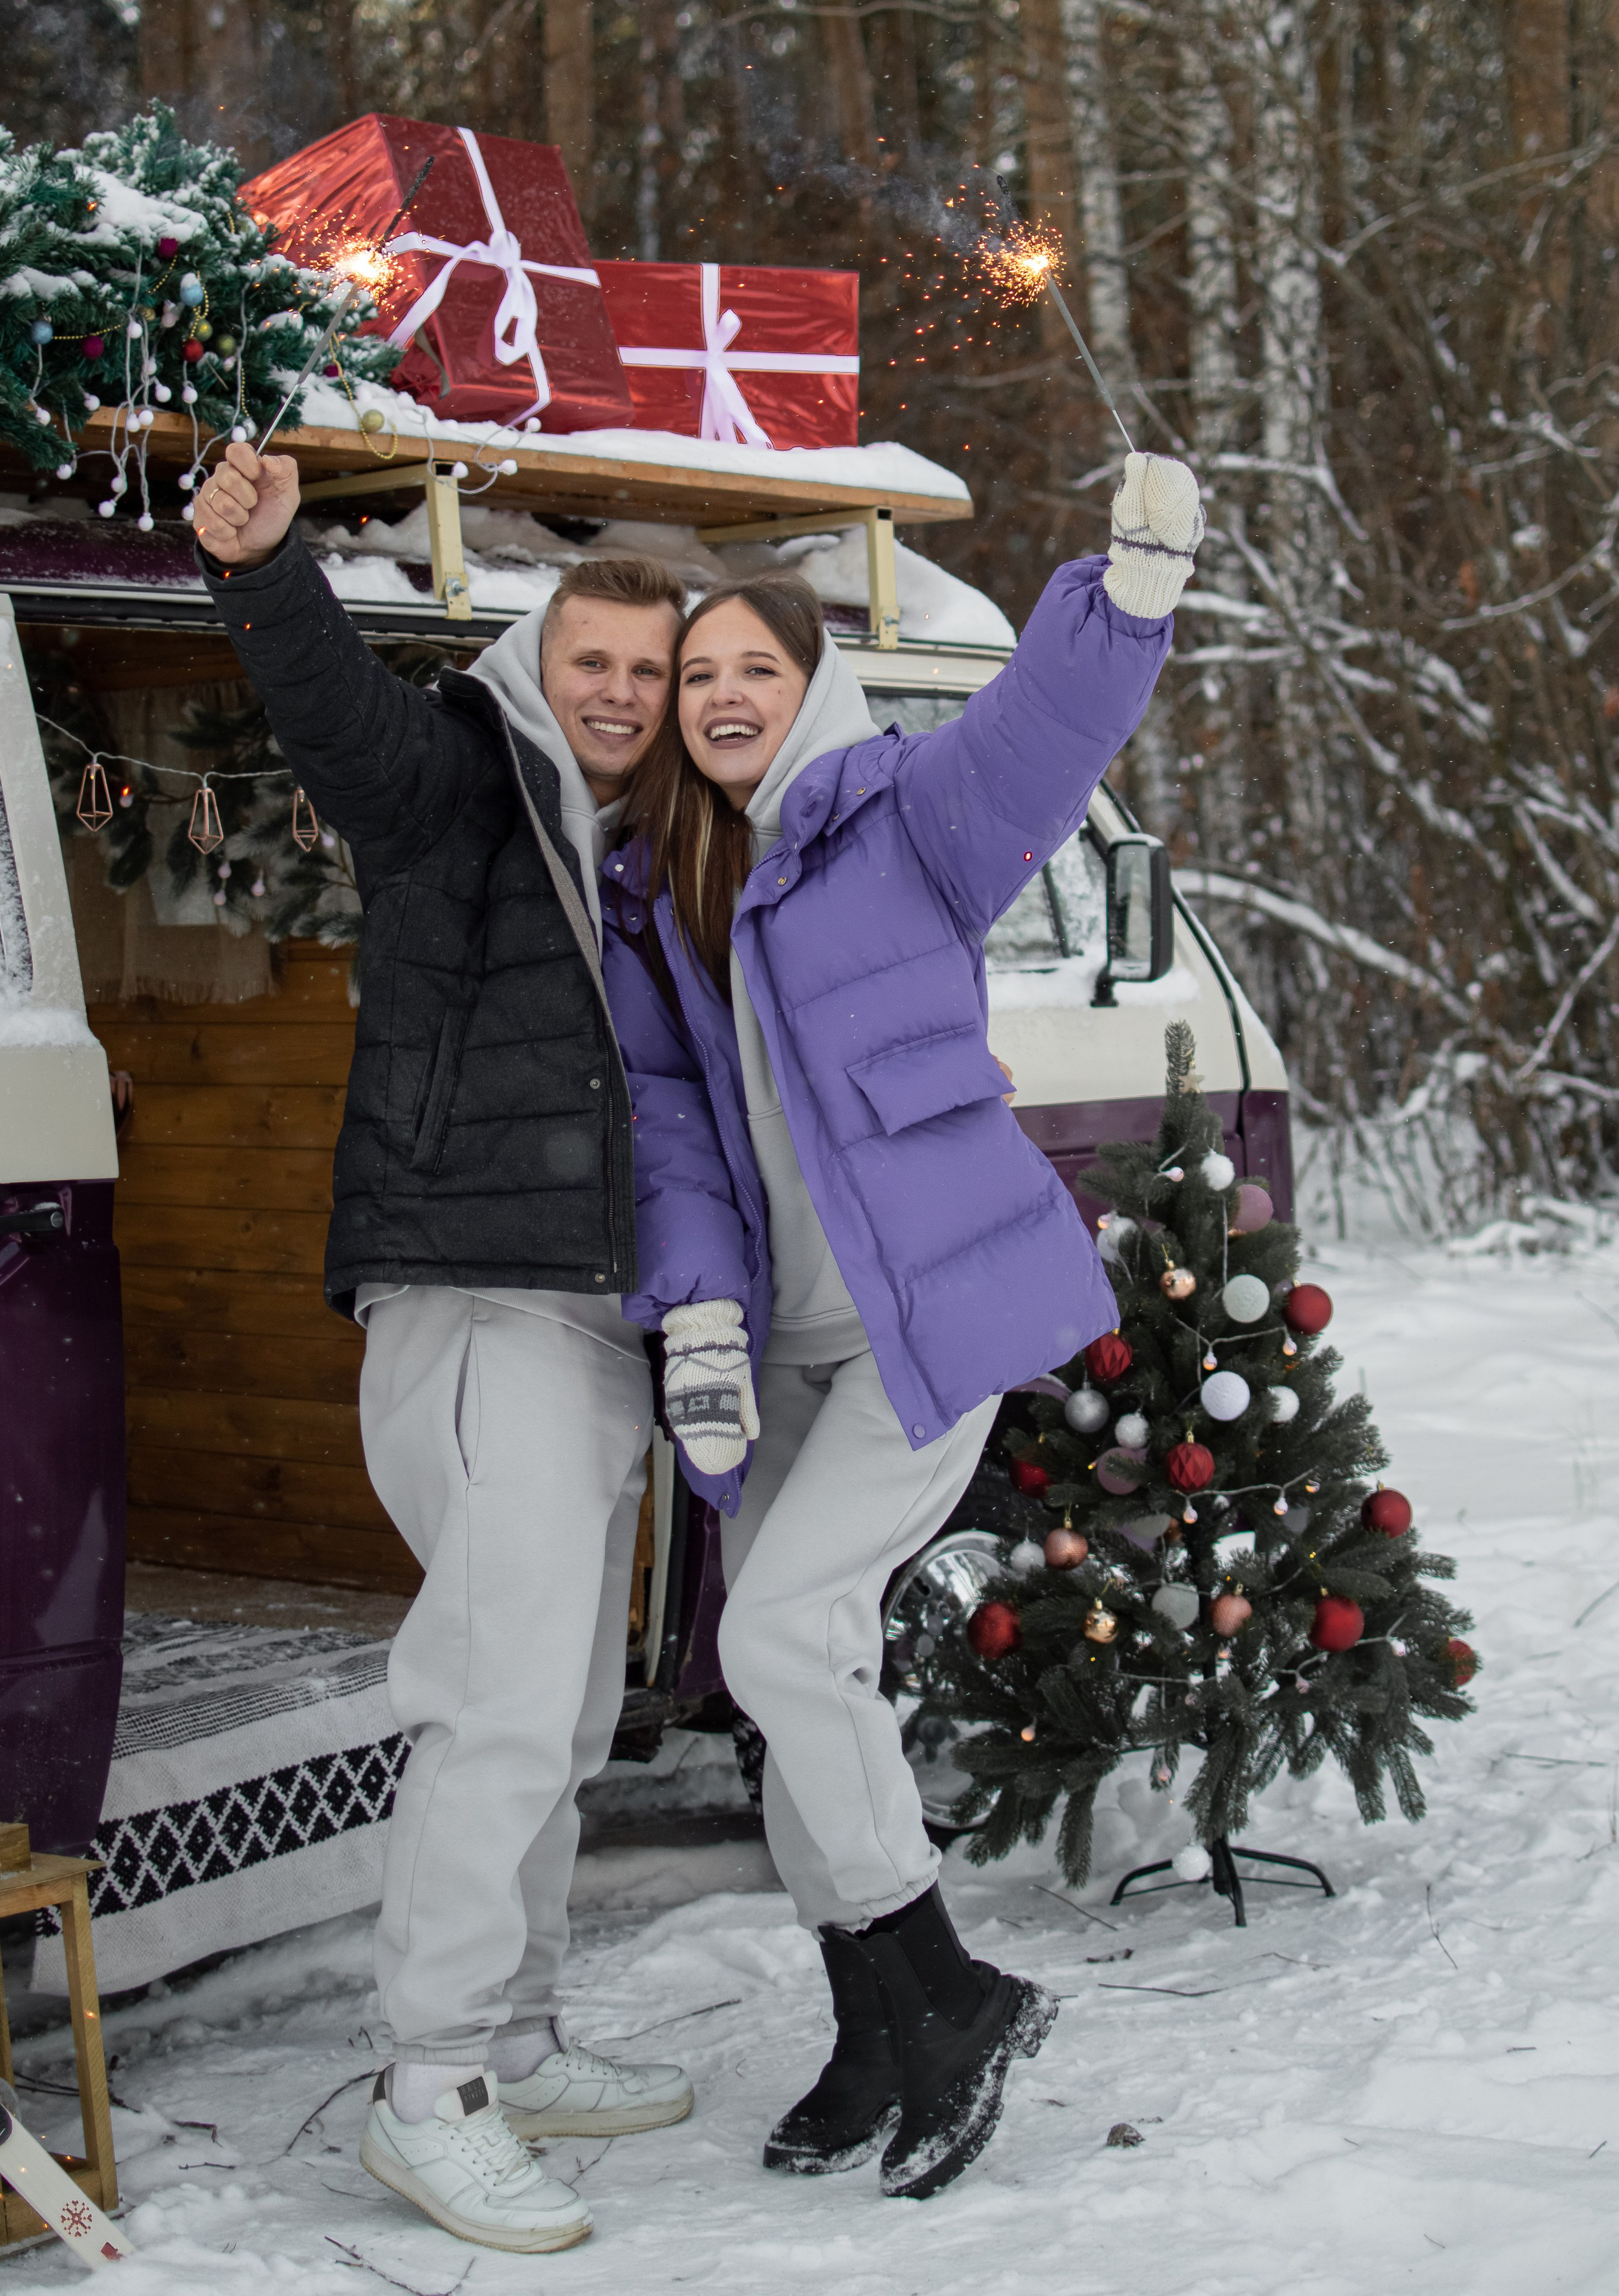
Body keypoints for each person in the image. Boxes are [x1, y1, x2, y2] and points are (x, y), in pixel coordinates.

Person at [599, 452, 1202, 2202]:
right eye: (698, 676)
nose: (721, 696)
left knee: (786, 1633)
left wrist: (1132, 590)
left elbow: (1041, 733)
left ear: (814, 691)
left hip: (916, 1328)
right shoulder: (659, 893)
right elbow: (676, 1133)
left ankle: (951, 1991)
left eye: (753, 672)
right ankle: (875, 2024)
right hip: (776, 1353)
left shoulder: (902, 823)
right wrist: (698, 1318)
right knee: (805, 1680)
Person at [192, 441, 698, 2257]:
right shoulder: (463, 780)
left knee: (562, 1706)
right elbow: (344, 728)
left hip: (598, 1312)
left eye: (649, 673)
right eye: (596, 665)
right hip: (478, 1294)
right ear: (539, 658)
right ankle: (430, 2087)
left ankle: (521, 2032)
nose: (623, 697)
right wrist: (266, 577)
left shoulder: (653, 835)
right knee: (494, 1697)